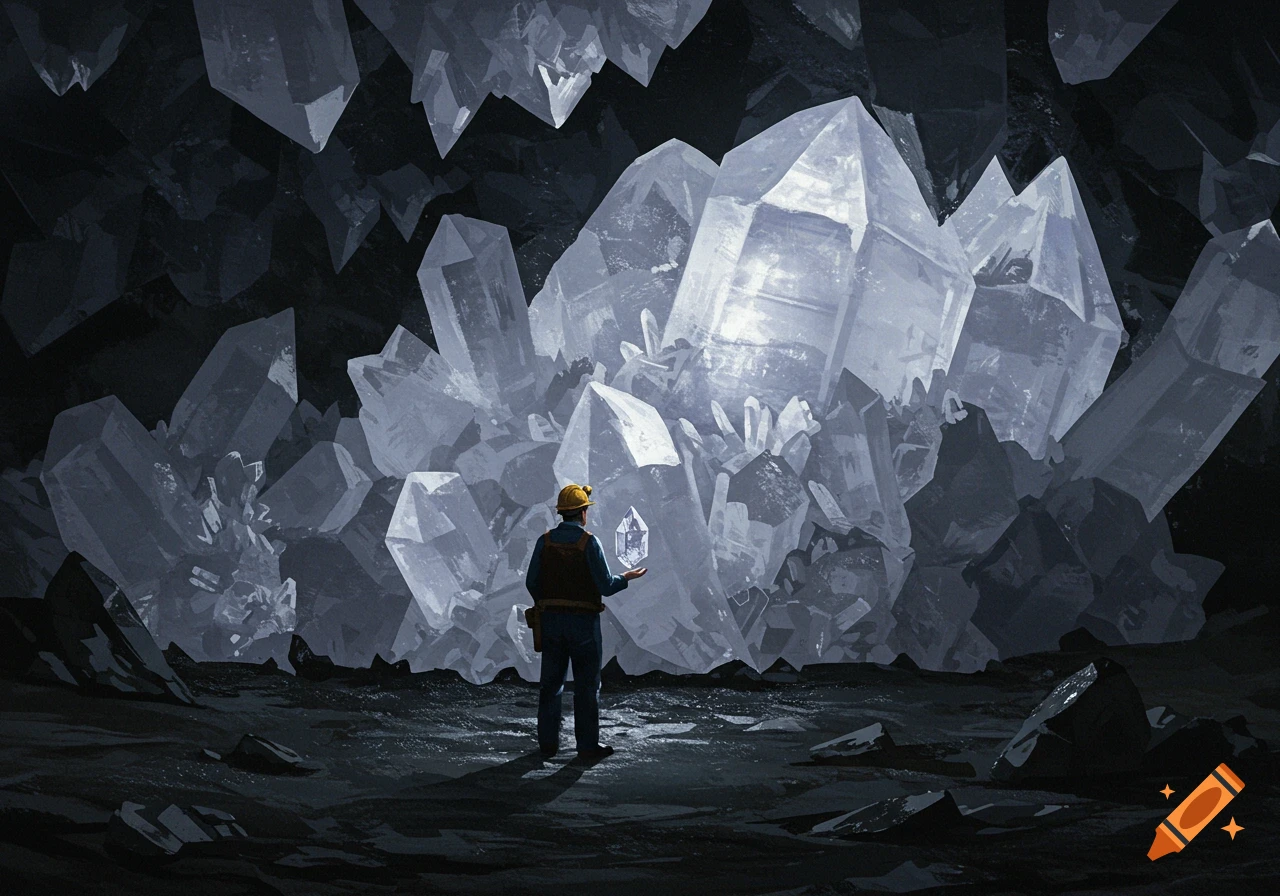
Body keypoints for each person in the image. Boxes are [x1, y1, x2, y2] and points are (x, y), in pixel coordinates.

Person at [525, 483, 647, 760]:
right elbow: (605, 585)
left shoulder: (544, 542)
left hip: (552, 623)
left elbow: (531, 582)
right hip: (583, 625)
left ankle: (548, 744)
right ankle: (587, 746)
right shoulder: (589, 542)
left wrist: (547, 603)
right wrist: (626, 578)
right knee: (586, 687)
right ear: (582, 513)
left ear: (561, 513)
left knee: (550, 685)